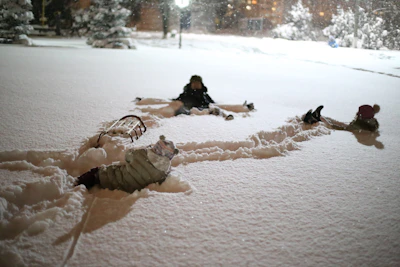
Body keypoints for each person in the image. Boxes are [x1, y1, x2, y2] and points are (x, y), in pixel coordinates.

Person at [75, 135, 179, 193]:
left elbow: (128, 155)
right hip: (133, 188)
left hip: (118, 178)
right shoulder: (163, 170)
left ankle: (78, 183)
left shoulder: (142, 153)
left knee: (98, 172)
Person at [135, 75, 255, 121]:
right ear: (191, 84)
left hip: (204, 112)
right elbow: (174, 101)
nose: (196, 85)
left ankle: (238, 111)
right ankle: (147, 110)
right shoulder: (186, 93)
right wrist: (144, 100)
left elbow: (215, 104)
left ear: (201, 84)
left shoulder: (204, 94)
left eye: (198, 83)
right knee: (172, 104)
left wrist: (241, 107)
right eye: (194, 83)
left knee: (215, 108)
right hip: (187, 112)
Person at [303, 104, 380, 132]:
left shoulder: (363, 123)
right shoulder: (370, 121)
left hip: (348, 128)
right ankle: (317, 116)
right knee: (338, 122)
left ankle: (316, 118)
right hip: (351, 126)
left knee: (334, 125)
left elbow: (351, 127)